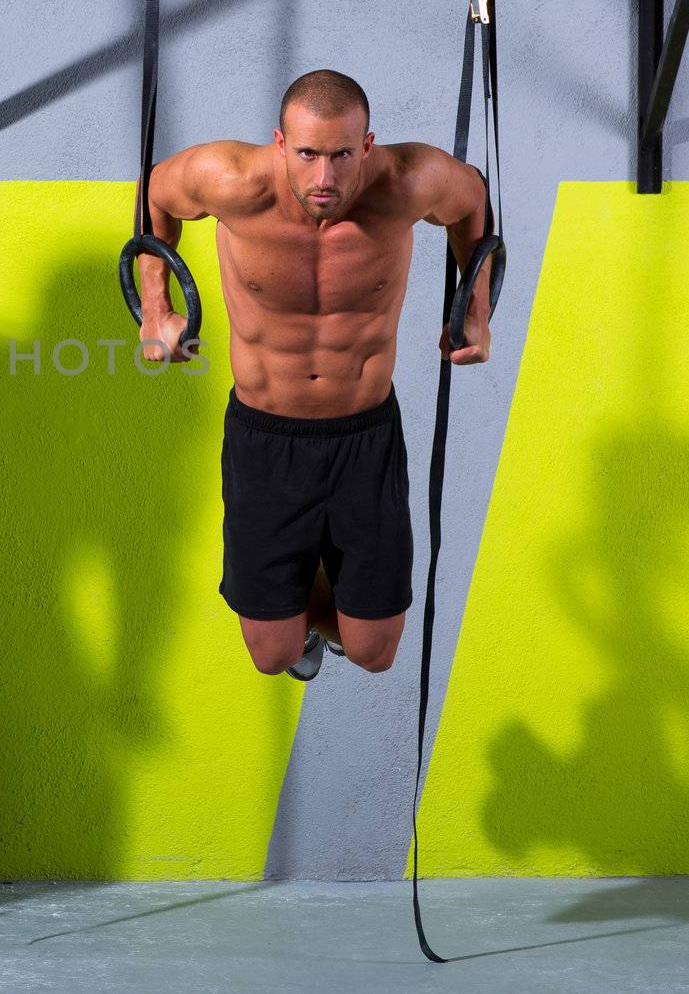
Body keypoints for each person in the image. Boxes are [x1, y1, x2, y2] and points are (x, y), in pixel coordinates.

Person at [136, 69, 493, 682]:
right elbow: (156, 197)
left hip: (365, 436)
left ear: (368, 145)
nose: (323, 178)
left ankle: (330, 591)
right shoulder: (229, 180)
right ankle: (303, 604)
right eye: (306, 154)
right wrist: (155, 311)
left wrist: (476, 313)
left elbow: (473, 208)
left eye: (341, 155)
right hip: (265, 438)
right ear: (279, 142)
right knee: (272, 657)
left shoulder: (410, 182)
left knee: (373, 654)